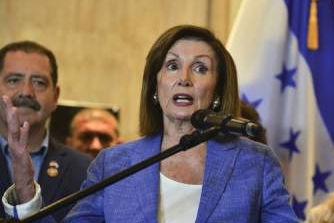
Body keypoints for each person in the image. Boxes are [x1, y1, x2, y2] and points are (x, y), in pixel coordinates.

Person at [2, 25, 299, 222]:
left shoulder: (254, 162)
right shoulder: (114, 163)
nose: (184, 77)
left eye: (200, 67)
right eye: (172, 65)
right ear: (156, 87)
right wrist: (27, 191)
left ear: (218, 90)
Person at [0, 41, 92, 221]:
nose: (26, 92)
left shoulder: (85, 170)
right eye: (14, 80)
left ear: (56, 96)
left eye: (39, 82)